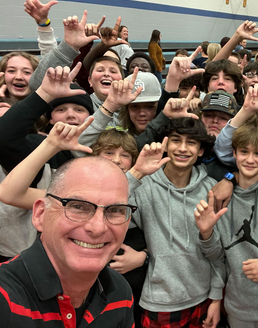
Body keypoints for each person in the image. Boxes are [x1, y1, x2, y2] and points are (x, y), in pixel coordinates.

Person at [0, 151, 135, 325]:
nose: (97, 227)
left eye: (115, 210)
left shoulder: (119, 292)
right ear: (40, 214)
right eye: (78, 206)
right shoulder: (5, 298)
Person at [195, 116, 258, 327]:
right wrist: (206, 234)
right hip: (238, 308)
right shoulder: (219, 195)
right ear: (234, 153)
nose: (250, 159)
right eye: (244, 152)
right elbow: (217, 257)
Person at [126, 117, 222, 328]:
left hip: (203, 296)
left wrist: (216, 297)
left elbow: (218, 254)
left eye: (191, 142)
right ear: (165, 145)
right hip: (159, 300)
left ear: (200, 151)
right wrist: (136, 172)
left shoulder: (211, 189)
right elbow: (107, 202)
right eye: (176, 140)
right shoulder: (144, 186)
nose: (182, 148)